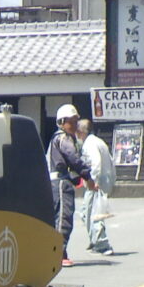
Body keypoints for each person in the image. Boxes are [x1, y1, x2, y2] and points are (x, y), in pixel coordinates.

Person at [47, 105, 89, 266]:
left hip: (59, 181)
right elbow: (74, 159)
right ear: (61, 122)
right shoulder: (62, 138)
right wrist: (87, 175)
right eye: (71, 122)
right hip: (60, 183)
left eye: (76, 122)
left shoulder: (61, 138)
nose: (74, 125)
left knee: (59, 217)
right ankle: (59, 253)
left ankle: (57, 252)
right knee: (63, 217)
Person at [76, 116, 114, 252]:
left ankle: (102, 244)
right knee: (86, 212)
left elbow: (96, 163)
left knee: (94, 214)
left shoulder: (90, 144)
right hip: (103, 181)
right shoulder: (97, 141)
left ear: (81, 132)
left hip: (96, 183)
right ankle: (94, 239)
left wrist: (94, 180)